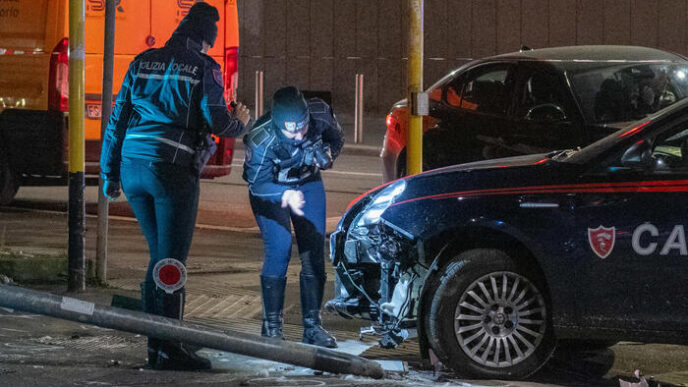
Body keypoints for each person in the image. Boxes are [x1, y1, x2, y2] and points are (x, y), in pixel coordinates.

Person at [99, 2, 250, 370]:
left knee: (158, 259)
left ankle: (160, 345)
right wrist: (240, 123)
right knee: (170, 264)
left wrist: (109, 173)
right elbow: (217, 120)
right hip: (171, 170)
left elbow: (118, 118)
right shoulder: (204, 68)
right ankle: (168, 350)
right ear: (206, 37)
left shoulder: (142, 61)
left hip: (133, 168)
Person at [243, 86, 344, 348]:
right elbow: (257, 184)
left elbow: (337, 138)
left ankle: (312, 326)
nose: (299, 135)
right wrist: (284, 196)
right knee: (280, 248)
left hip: (308, 182)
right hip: (272, 190)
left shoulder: (320, 114)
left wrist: (327, 154)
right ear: (278, 125)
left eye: (303, 127)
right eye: (291, 130)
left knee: (313, 249)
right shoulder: (261, 139)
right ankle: (272, 329)